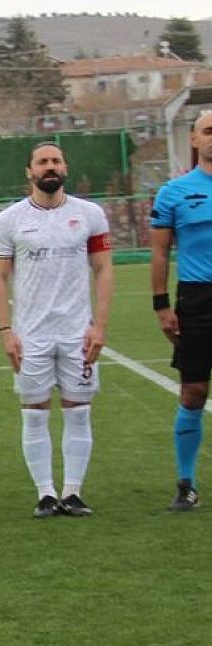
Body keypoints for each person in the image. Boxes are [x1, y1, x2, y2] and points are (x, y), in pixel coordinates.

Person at [0, 142, 113, 518]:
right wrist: (6, 331)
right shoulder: (9, 219)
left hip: (78, 333)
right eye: (42, 162)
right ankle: (45, 493)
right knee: (34, 412)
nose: (49, 167)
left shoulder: (89, 214)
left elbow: (104, 269)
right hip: (32, 335)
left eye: (56, 161)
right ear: (29, 171)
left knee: (78, 411)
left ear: (65, 167)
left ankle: (73, 492)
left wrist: (100, 326)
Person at [151, 109, 212, 511]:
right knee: (193, 391)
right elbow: (159, 251)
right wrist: (162, 305)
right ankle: (186, 483)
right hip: (196, 300)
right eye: (209, 130)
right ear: (193, 139)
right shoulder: (174, 192)